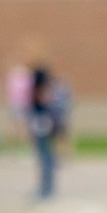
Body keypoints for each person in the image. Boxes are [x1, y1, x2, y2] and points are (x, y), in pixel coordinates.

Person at [27, 66, 61, 200]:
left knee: (45, 156)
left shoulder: (45, 98)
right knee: (43, 156)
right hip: (41, 123)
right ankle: (45, 186)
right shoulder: (41, 100)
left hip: (43, 124)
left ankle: (47, 187)